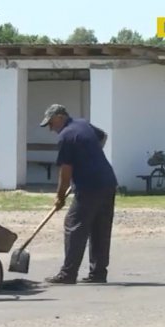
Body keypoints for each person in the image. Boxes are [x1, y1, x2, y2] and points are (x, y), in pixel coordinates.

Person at [40, 104, 117, 284]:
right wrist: (90, 155)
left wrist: (59, 197)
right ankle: (98, 273)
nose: (51, 129)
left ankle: (68, 274)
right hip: (108, 182)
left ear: (60, 117)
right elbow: (102, 136)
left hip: (89, 186)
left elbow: (65, 172)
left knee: (74, 225)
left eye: (51, 123)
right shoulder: (83, 124)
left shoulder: (66, 136)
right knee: (100, 228)